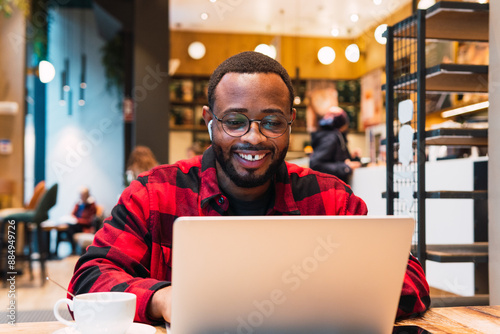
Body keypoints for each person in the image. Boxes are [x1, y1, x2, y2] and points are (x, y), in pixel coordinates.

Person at [69, 51, 430, 325]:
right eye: (235, 122)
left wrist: (309, 299)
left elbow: (411, 279)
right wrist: (162, 299)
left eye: (271, 121)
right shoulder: (155, 193)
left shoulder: (330, 198)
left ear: (291, 122)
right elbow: (89, 276)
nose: (254, 138)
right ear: (210, 122)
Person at [309, 107, 362, 184]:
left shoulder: (336, 136)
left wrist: (352, 157)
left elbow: (335, 159)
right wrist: (345, 167)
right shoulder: (330, 137)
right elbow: (316, 164)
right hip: (329, 189)